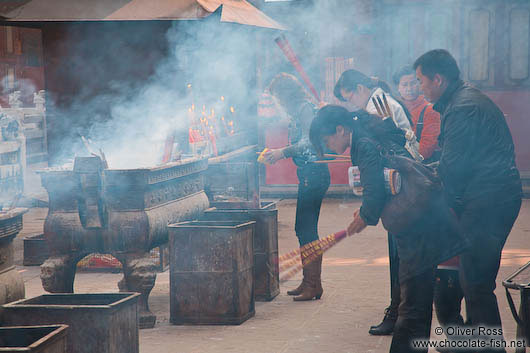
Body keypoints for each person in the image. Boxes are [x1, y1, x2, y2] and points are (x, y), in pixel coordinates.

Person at [309, 105, 466, 353]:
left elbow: (374, 190)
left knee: (413, 301)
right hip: (426, 216)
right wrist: (365, 213)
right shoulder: (368, 131)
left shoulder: (362, 144)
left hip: (417, 225)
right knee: (418, 296)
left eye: (326, 139)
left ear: (340, 129)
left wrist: (364, 216)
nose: (327, 146)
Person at [414, 49, 523, 352]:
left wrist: (431, 196)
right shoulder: (460, 100)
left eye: (422, 80)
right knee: (467, 277)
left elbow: (454, 170)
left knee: (475, 280)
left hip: (490, 199)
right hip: (488, 194)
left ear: (438, 79)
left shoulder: (463, 107)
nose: (420, 87)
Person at [334, 69, 418, 335]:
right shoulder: (377, 102)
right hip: (400, 182)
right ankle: (398, 310)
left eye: (350, 98)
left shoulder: (379, 105)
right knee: (399, 257)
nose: (352, 106)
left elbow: (392, 147)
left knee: (401, 257)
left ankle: (398, 312)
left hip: (404, 183)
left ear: (360, 88)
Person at [263, 73, 330, 301]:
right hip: (308, 174)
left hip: (315, 173)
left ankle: (313, 284)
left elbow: (309, 142)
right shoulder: (299, 110)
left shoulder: (304, 109)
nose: (276, 104)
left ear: (284, 95)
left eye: (276, 99)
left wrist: (282, 152)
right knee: (304, 229)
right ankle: (309, 282)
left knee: (306, 229)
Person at [393, 65, 440, 162]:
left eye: (413, 83)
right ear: (398, 87)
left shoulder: (430, 110)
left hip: (420, 167)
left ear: (419, 84)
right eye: (405, 85)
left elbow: (426, 149)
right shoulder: (394, 108)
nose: (409, 88)